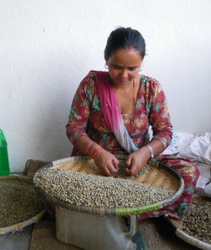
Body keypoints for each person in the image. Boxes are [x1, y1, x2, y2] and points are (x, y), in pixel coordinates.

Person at [66, 27, 199, 220]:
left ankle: (117, 214)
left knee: (189, 174)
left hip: (138, 163)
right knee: (56, 191)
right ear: (106, 59)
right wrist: (97, 152)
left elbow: (165, 132)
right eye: (116, 67)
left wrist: (145, 153)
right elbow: (74, 128)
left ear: (141, 63)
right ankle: (131, 213)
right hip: (98, 165)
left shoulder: (151, 89)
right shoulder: (91, 86)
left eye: (132, 69)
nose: (123, 76)